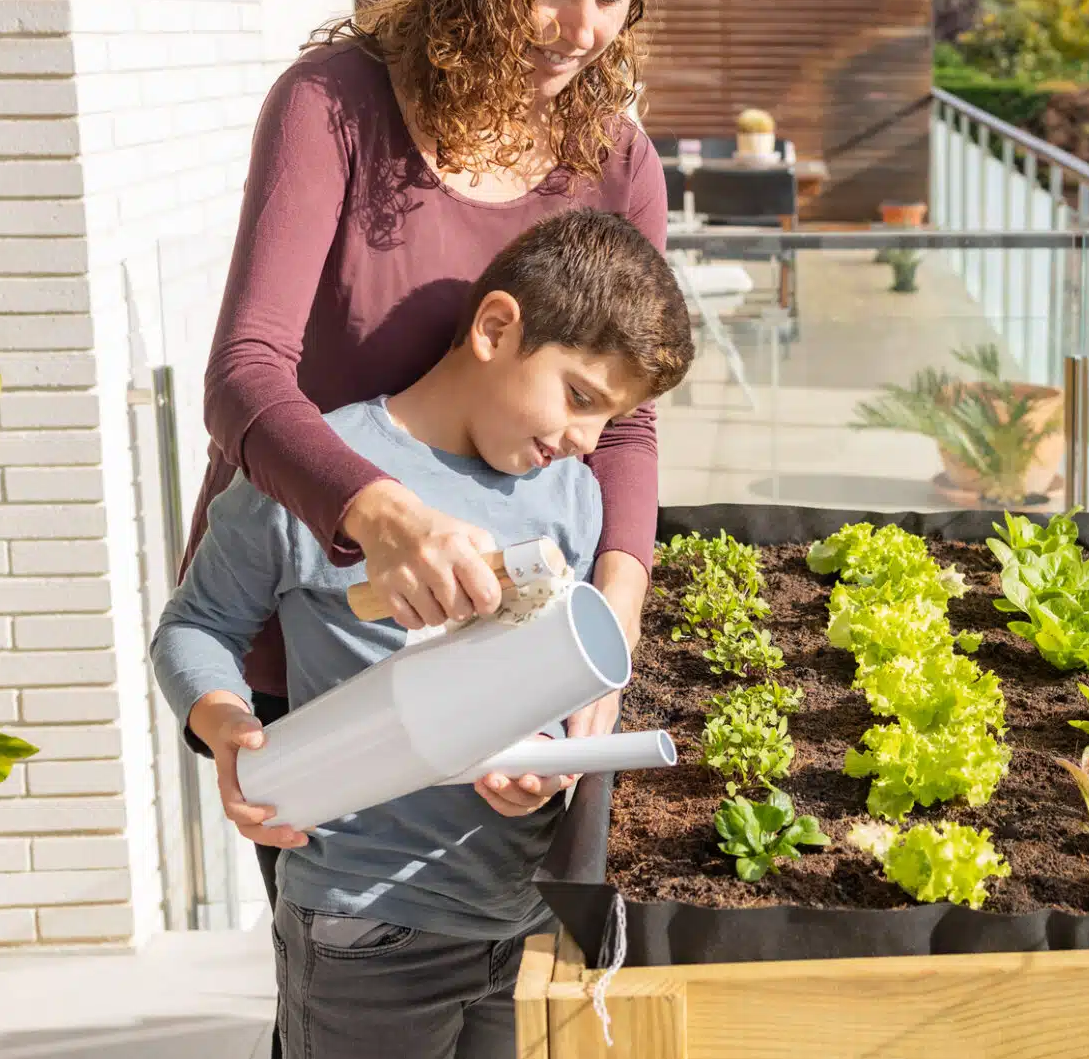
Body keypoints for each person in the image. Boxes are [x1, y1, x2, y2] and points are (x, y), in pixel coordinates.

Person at [185, 0, 681, 924]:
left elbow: (632, 426)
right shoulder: (335, 107)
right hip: (317, 621)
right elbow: (245, 374)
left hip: (508, 649)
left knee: (476, 960)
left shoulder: (614, 160)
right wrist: (386, 517)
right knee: (345, 951)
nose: (584, 27)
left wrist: (609, 621)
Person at [153, 208, 694, 1058]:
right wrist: (225, 725)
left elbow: (546, 678)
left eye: (606, 418)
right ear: (494, 326)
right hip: (365, 929)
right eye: (580, 396)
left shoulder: (573, 498)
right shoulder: (322, 472)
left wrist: (543, 757)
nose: (584, 439)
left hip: (520, 927)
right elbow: (195, 624)